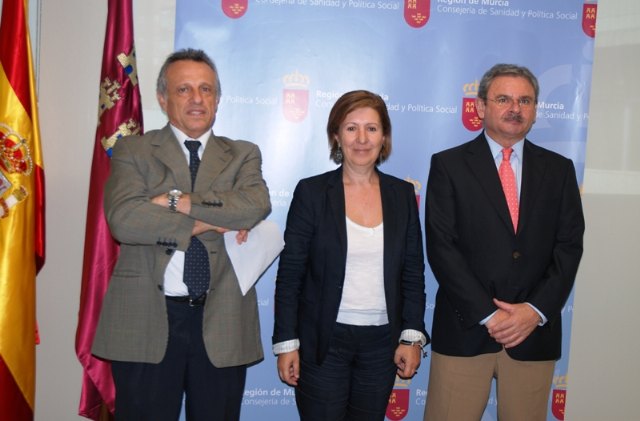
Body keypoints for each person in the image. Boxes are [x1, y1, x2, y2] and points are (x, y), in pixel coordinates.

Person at [92, 48, 271, 421]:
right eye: (184, 89)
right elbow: (124, 219)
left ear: (217, 99)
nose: (196, 99)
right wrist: (212, 219)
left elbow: (254, 205)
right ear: (162, 98)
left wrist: (173, 202)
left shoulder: (242, 154)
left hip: (221, 321)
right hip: (146, 321)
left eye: (206, 90)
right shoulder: (133, 150)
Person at [423, 63, 585, 421]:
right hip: (466, 329)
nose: (516, 108)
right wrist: (489, 314)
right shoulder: (448, 165)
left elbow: (569, 246)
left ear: (535, 109)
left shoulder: (559, 170)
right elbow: (442, 246)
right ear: (481, 107)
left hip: (533, 334)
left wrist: (534, 311)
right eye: (504, 99)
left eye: (525, 100)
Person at [272, 90, 429, 421]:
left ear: (384, 137)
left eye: (371, 129)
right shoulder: (312, 193)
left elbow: (413, 272)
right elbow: (290, 275)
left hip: (382, 344)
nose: (361, 139)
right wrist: (287, 342)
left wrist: (412, 336)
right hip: (323, 343)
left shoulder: (402, 195)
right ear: (336, 135)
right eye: (351, 128)